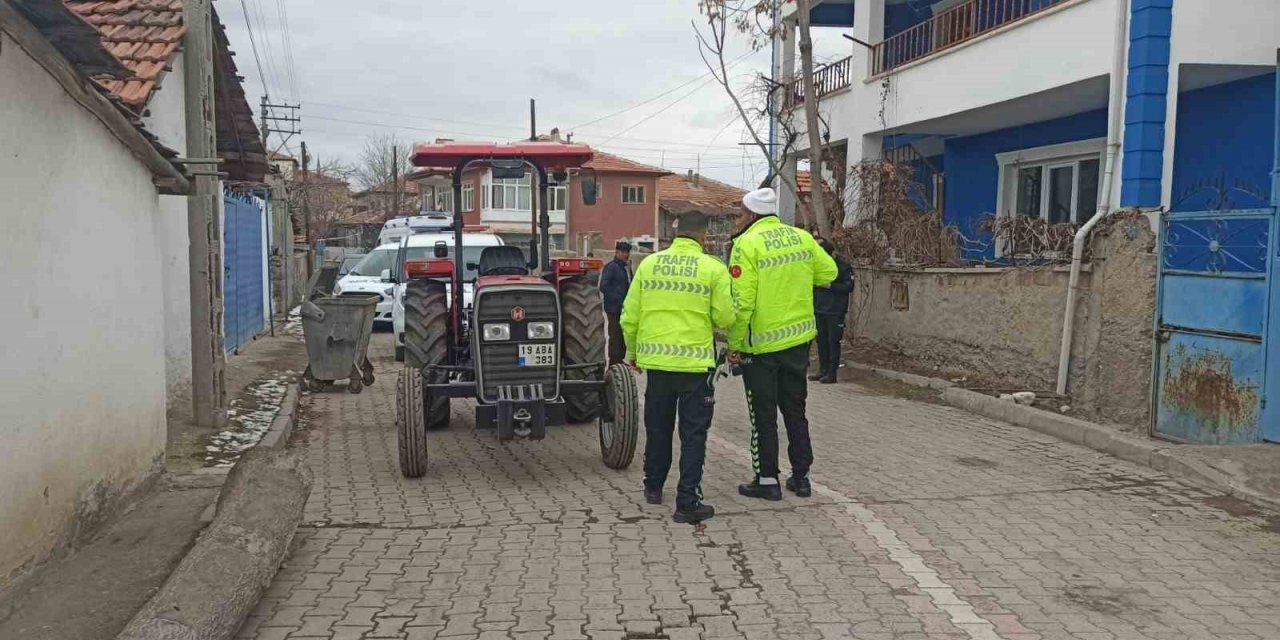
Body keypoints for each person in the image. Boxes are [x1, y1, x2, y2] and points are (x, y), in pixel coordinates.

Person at [621, 215, 734, 524]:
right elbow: (725, 317)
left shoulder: (648, 265)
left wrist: (632, 352)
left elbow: (629, 316)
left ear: (674, 232)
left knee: (658, 428)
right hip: (695, 367)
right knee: (693, 434)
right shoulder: (713, 268)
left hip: (657, 364)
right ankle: (687, 501)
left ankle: (653, 487)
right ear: (705, 235)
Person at [727, 187, 837, 501]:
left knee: (763, 414)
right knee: (795, 410)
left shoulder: (746, 244)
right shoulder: (802, 238)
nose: (737, 220)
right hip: (798, 342)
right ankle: (801, 478)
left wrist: (735, 343)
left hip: (760, 348)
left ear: (751, 215)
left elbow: (742, 300)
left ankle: (766, 481)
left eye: (739, 214)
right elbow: (828, 272)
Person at [811, 238, 852, 384]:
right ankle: (822, 369)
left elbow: (848, 287)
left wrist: (830, 286)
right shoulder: (816, 267)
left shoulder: (842, 266)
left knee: (833, 342)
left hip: (835, 310)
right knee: (821, 341)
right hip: (820, 308)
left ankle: (832, 373)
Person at [600, 241, 633, 366]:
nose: (626, 255)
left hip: (626, 308)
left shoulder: (627, 268)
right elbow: (604, 286)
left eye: (628, 252)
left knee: (624, 335)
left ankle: (620, 359)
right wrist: (618, 299)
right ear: (617, 252)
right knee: (615, 336)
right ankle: (614, 361)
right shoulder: (611, 267)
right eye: (624, 252)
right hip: (613, 308)